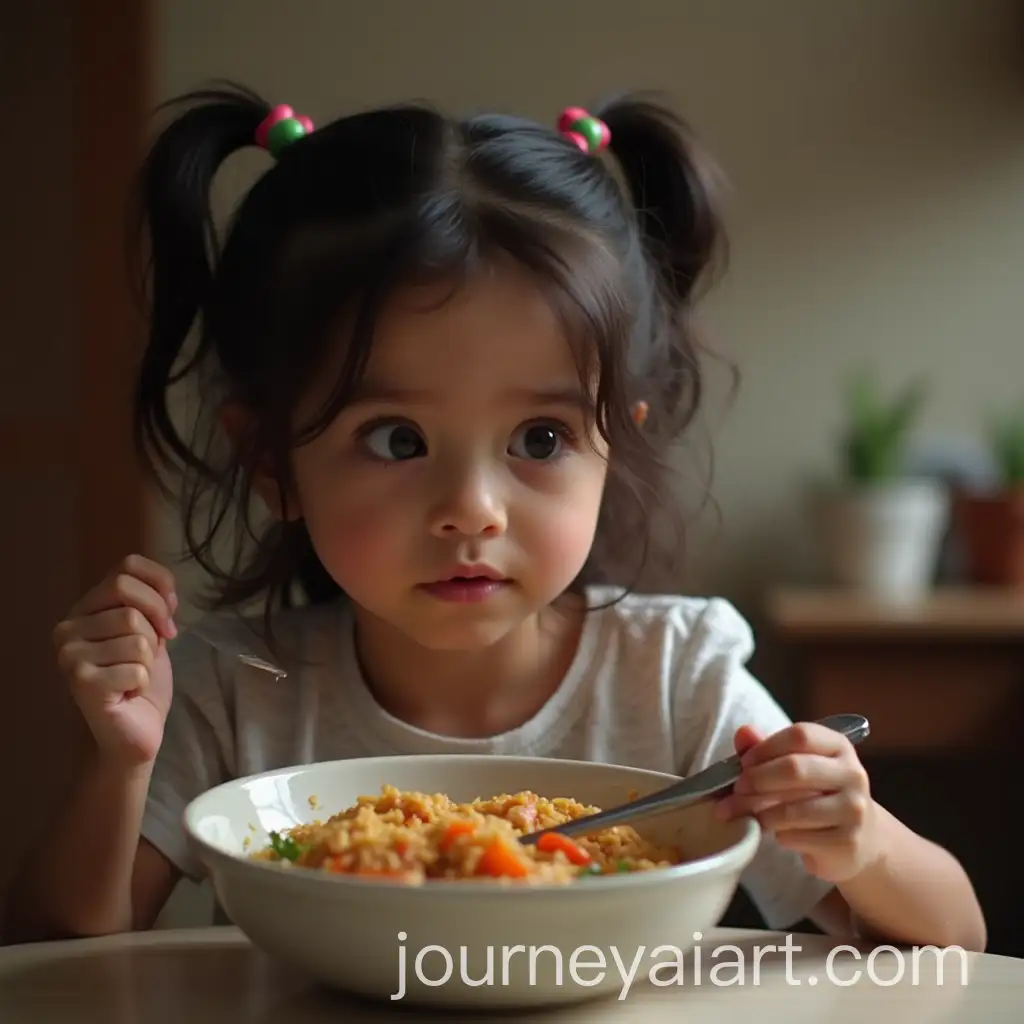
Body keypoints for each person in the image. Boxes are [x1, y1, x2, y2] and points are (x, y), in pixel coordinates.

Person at [3, 84, 984, 951]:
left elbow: (951, 938)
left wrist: (860, 841)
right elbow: (60, 955)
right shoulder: (235, 692)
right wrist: (122, 763)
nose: (470, 510)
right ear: (274, 465)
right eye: (395, 438)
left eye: (542, 440)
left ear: (614, 446)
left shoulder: (675, 679)